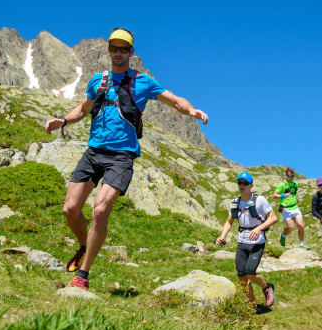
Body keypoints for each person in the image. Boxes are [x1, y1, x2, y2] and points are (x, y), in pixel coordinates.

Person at [45, 28, 209, 290]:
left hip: (121, 156)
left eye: (124, 49)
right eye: (114, 48)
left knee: (100, 210)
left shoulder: (142, 81)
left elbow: (174, 100)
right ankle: (85, 245)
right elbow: (84, 109)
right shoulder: (98, 80)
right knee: (70, 209)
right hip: (93, 152)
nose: (118, 53)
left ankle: (83, 275)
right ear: (109, 50)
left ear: (131, 52)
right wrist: (63, 120)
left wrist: (192, 111)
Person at [215, 172, 277, 312]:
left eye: (245, 183)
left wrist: (259, 228)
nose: (241, 185)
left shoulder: (259, 200)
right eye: (239, 183)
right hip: (242, 242)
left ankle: (267, 288)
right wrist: (222, 236)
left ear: (251, 185)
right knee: (242, 276)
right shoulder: (235, 202)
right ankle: (252, 306)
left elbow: (273, 218)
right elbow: (229, 222)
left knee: (250, 272)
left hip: (257, 242)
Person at [273, 167, 309, 249]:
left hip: (295, 208)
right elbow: (274, 195)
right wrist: (283, 195)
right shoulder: (282, 184)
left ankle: (302, 244)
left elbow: (294, 194)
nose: (291, 177)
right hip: (286, 209)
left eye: (293, 176)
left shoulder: (296, 183)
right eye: (290, 176)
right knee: (291, 228)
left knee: (301, 225)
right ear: (286, 175)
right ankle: (283, 235)